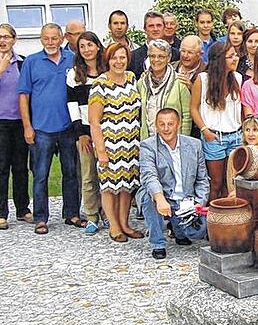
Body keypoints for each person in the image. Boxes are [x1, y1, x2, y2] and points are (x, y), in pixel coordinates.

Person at [17, 23, 80, 235]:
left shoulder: (72, 60)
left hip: (68, 127)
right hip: (41, 128)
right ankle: (41, 218)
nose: (51, 42)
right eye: (46, 38)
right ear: (41, 39)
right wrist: (27, 126)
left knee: (70, 173)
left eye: (55, 38)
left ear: (62, 38)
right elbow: (23, 96)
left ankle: (71, 213)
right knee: (41, 175)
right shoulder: (31, 62)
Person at [88, 43, 142, 242]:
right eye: (114, 58)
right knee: (110, 187)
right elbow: (93, 121)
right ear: (107, 60)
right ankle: (114, 225)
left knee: (127, 185)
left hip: (131, 143)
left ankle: (125, 223)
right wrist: (100, 150)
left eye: (122, 57)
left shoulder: (131, 78)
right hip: (110, 143)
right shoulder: (100, 84)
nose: (118, 62)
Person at [138, 108, 209, 260]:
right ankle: (158, 243)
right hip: (163, 197)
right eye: (161, 124)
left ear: (178, 125)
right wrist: (159, 198)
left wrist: (199, 202)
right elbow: (149, 176)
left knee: (197, 233)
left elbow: (202, 179)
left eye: (170, 124)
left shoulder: (195, 145)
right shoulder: (148, 146)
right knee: (147, 198)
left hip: (186, 199)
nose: (166, 128)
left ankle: (177, 229)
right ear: (156, 126)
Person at [66, 32, 107, 235]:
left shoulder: (108, 71)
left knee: (108, 176)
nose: (87, 50)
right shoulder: (74, 75)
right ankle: (91, 215)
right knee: (89, 175)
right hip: (85, 132)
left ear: (98, 46)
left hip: (109, 131)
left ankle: (107, 212)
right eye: (82, 46)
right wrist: (80, 133)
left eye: (90, 45)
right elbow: (73, 106)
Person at [190, 42, 243, 201]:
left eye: (236, 55)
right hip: (214, 137)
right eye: (231, 56)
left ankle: (230, 219)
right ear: (219, 60)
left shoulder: (238, 78)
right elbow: (193, 107)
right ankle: (212, 218)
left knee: (232, 183)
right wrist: (205, 130)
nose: (235, 59)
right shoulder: (203, 79)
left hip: (235, 136)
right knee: (216, 183)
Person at [0, 23, 32, 230]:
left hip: (19, 121)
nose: (2, 41)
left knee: (20, 167)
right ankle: (2, 212)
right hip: (0, 122)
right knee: (1, 167)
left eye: (6, 37)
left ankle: (23, 208)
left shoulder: (22, 63)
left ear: (14, 39)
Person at [137, 39, 192, 139]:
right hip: (149, 140)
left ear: (168, 58)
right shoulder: (142, 83)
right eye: (152, 56)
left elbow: (187, 116)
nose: (156, 60)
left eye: (161, 56)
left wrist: (183, 140)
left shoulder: (179, 82)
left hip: (174, 141)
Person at [129, 11, 180, 78]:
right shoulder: (133, 57)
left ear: (164, 27)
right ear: (145, 29)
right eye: (151, 26)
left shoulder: (176, 54)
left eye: (159, 25)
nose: (155, 29)